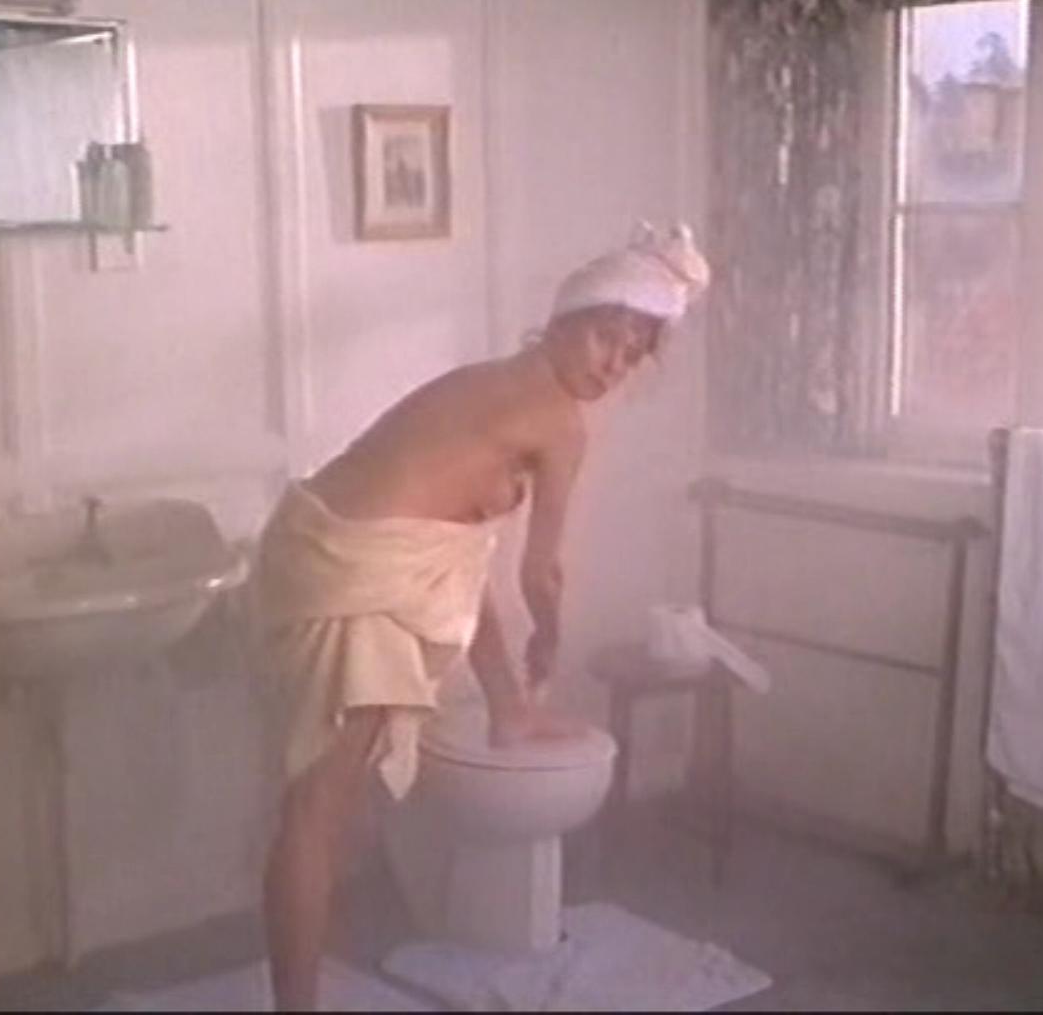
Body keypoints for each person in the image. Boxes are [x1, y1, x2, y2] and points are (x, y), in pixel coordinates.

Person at [250, 221, 711, 1010]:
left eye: (633, 354)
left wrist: (509, 701)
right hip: (352, 578)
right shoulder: (558, 422)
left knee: (324, 809)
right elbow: (541, 572)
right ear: (566, 317)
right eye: (606, 337)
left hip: (316, 551)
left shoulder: (486, 380)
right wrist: (551, 637)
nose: (614, 365)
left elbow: (455, 558)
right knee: (317, 811)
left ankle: (505, 715)